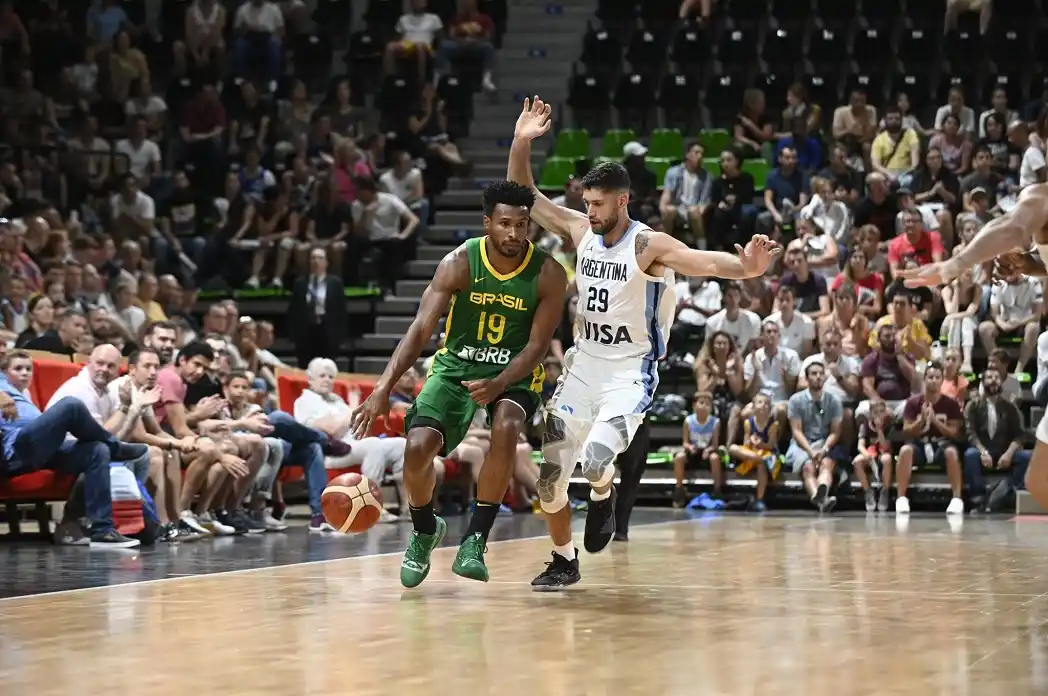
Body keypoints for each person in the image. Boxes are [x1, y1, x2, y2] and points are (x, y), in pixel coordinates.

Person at [508, 96, 779, 590]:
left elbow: (704, 261)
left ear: (622, 201)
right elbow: (526, 197)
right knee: (549, 481)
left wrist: (747, 269)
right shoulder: (581, 231)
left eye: (597, 204)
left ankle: (604, 492)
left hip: (629, 372)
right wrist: (520, 142)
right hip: (583, 366)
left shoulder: (646, 244)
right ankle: (564, 560)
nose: (589, 212)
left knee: (595, 460)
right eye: (586, 203)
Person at [351, 180, 567, 588]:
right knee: (417, 447)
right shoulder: (459, 262)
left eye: (522, 225)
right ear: (487, 223)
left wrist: (498, 382)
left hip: (514, 370)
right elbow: (420, 329)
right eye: (505, 224)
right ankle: (424, 529)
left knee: (506, 427)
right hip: (456, 366)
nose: (514, 233)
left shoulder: (549, 273)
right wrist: (382, 387)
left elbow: (537, 347)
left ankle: (475, 540)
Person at [901, 182, 1048, 511]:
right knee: (1040, 478)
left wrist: (950, 267)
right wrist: (1031, 264)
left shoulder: (1041, 197)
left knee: (1040, 479)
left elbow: (1010, 228)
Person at [671, 392, 720, 507]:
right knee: (679, 457)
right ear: (694, 405)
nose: (704, 406)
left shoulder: (715, 422)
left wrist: (708, 450)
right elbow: (685, 442)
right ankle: (679, 489)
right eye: (701, 403)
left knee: (715, 458)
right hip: (693, 451)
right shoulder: (688, 421)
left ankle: (717, 490)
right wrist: (690, 447)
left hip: (707, 451)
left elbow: (715, 445)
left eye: (708, 404)